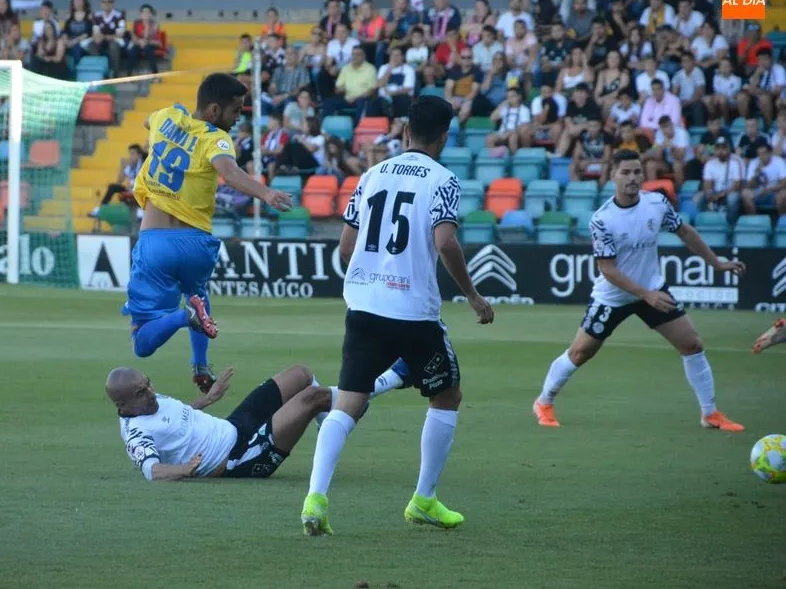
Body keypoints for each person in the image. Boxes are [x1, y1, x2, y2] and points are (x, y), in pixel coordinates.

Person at [300, 96, 495, 537]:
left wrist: (369, 281)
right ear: (444, 137)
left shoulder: (371, 174)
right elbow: (445, 243)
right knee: (446, 396)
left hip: (364, 306)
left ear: (405, 132)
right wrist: (472, 294)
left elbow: (346, 248)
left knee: (350, 401)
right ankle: (423, 499)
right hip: (413, 312)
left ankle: (316, 498)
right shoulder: (443, 180)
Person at [532, 150, 746, 432]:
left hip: (652, 290)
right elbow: (607, 269)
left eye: (637, 172)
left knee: (692, 344)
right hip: (614, 296)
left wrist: (716, 263)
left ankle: (710, 414)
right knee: (580, 353)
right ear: (612, 176)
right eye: (626, 173)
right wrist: (646, 294)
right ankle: (544, 401)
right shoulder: (602, 219)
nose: (632, 178)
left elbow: (685, 232)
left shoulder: (656, 203)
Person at [125, 74, 293, 393]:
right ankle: (201, 365)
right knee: (198, 290)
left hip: (156, 244)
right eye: (236, 111)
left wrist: (171, 123)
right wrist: (266, 193)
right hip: (197, 246)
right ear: (214, 110)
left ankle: (184, 317)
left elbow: (149, 121)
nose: (238, 118)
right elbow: (228, 171)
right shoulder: (214, 137)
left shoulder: (166, 117)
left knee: (141, 342)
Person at [106, 363, 407, 482]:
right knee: (312, 397)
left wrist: (208, 400)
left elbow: (174, 414)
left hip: (234, 426)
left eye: (148, 384)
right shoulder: (136, 433)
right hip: (238, 458)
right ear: (122, 404)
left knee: (300, 374)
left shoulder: (149, 403)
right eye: (141, 392)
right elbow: (151, 470)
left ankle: (331, 423)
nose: (151, 392)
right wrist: (184, 470)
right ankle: (387, 380)